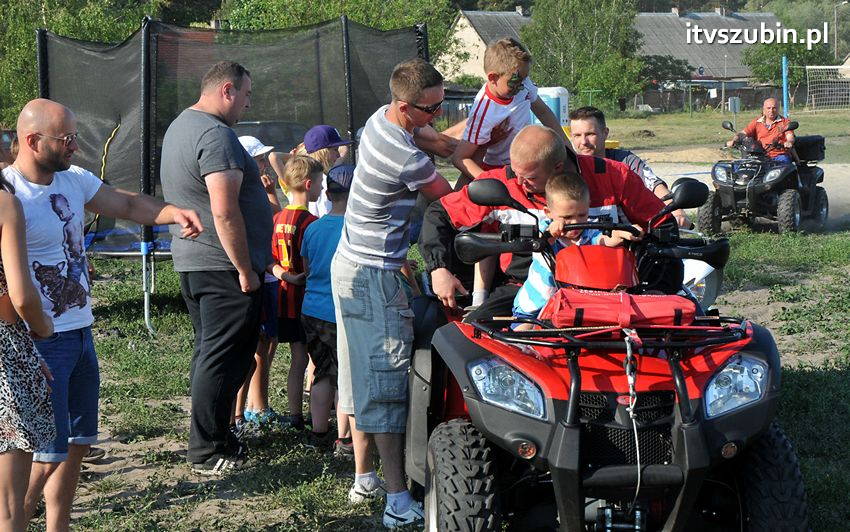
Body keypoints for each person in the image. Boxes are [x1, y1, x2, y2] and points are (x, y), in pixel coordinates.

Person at [5, 98, 201, 529]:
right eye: (67, 139)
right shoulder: (9, 194)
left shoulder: (74, 180)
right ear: (33, 140)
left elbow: (126, 205)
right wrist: (37, 332)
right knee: (41, 450)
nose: (75, 147)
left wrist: (170, 213)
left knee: (75, 444)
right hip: (36, 341)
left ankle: (57, 524)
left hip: (80, 334)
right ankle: (17, 517)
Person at [331, 58, 453, 529]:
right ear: (404, 106)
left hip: (354, 265)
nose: (437, 116)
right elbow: (449, 198)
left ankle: (365, 479)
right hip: (372, 275)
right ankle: (398, 501)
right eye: (430, 109)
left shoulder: (378, 123)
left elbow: (434, 138)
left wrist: (455, 141)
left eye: (443, 104)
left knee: (361, 375)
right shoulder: (406, 156)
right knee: (384, 384)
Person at [420, 124, 674, 319]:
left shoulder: (613, 176)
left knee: (675, 326)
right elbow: (439, 214)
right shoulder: (504, 184)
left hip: (613, 289)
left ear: (558, 168)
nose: (519, 183)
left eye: (528, 177)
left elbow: (663, 225)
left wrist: (638, 239)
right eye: (515, 172)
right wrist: (438, 268)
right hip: (528, 287)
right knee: (475, 335)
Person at [160, 60, 271, 476]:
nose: (247, 102)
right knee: (222, 357)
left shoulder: (180, 127)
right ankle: (206, 448)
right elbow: (224, 212)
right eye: (245, 94)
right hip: (222, 265)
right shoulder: (214, 133)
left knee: (214, 354)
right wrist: (244, 269)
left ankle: (216, 436)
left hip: (197, 262)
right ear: (227, 90)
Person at [513, 171, 644, 324]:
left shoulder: (589, 232)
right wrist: (552, 233)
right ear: (548, 213)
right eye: (567, 217)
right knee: (524, 333)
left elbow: (604, 239)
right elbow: (543, 242)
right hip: (536, 306)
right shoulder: (545, 231)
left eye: (582, 215)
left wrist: (623, 232)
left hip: (575, 306)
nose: (576, 223)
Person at [0, 171, 55, 532]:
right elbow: (18, 297)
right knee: (6, 506)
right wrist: (44, 328)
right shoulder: (4, 204)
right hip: (5, 352)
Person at [451, 37, 568, 187]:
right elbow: (460, 158)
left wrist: (566, 144)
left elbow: (543, 112)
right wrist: (490, 182)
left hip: (527, 163)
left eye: (524, 79)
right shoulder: (484, 110)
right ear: (493, 77)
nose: (521, 86)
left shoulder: (522, 84)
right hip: (498, 169)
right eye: (516, 82)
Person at [299, 164, 355, 454]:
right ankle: (345, 439)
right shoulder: (355, 229)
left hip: (311, 310)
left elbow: (308, 269)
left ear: (328, 193)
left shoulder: (314, 228)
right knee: (346, 376)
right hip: (341, 313)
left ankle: (319, 435)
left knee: (322, 372)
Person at [568, 106, 690, 228]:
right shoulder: (567, 165)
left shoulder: (625, 161)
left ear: (605, 133)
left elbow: (653, 184)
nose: (583, 141)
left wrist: (676, 212)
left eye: (590, 134)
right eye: (577, 135)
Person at [268, 155, 321, 431]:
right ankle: (314, 414)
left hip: (283, 299)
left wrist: (286, 276)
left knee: (296, 359)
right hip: (306, 301)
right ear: (309, 184)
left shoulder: (277, 218)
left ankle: (294, 414)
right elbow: (313, 265)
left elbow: (269, 260)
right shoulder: (311, 222)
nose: (322, 189)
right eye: (320, 183)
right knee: (311, 358)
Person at [233, 135, 281, 433]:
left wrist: (273, 192)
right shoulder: (243, 194)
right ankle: (246, 411)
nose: (265, 164)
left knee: (266, 344)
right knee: (254, 349)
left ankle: (255, 405)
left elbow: (275, 218)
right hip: (256, 277)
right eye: (260, 159)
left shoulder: (258, 191)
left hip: (267, 277)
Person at [298, 125, 352, 217]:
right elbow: (325, 215)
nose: (338, 155)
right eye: (335, 150)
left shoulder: (299, 176)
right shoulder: (322, 181)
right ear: (323, 152)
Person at [727, 97, 795, 163]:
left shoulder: (785, 122)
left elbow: (790, 136)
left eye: (774, 108)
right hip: (758, 155)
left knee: (784, 163)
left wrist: (789, 142)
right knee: (738, 167)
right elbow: (743, 133)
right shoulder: (757, 122)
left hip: (778, 155)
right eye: (768, 108)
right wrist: (734, 141)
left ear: (778, 109)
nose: (771, 111)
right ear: (763, 109)